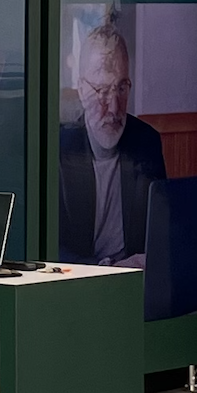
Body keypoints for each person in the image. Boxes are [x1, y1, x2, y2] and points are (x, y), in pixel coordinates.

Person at [58, 21, 167, 266]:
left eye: (121, 88)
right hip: (82, 280)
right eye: (103, 91)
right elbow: (50, 248)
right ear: (82, 90)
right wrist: (106, 268)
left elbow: (160, 230)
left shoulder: (147, 142)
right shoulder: (60, 151)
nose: (115, 107)